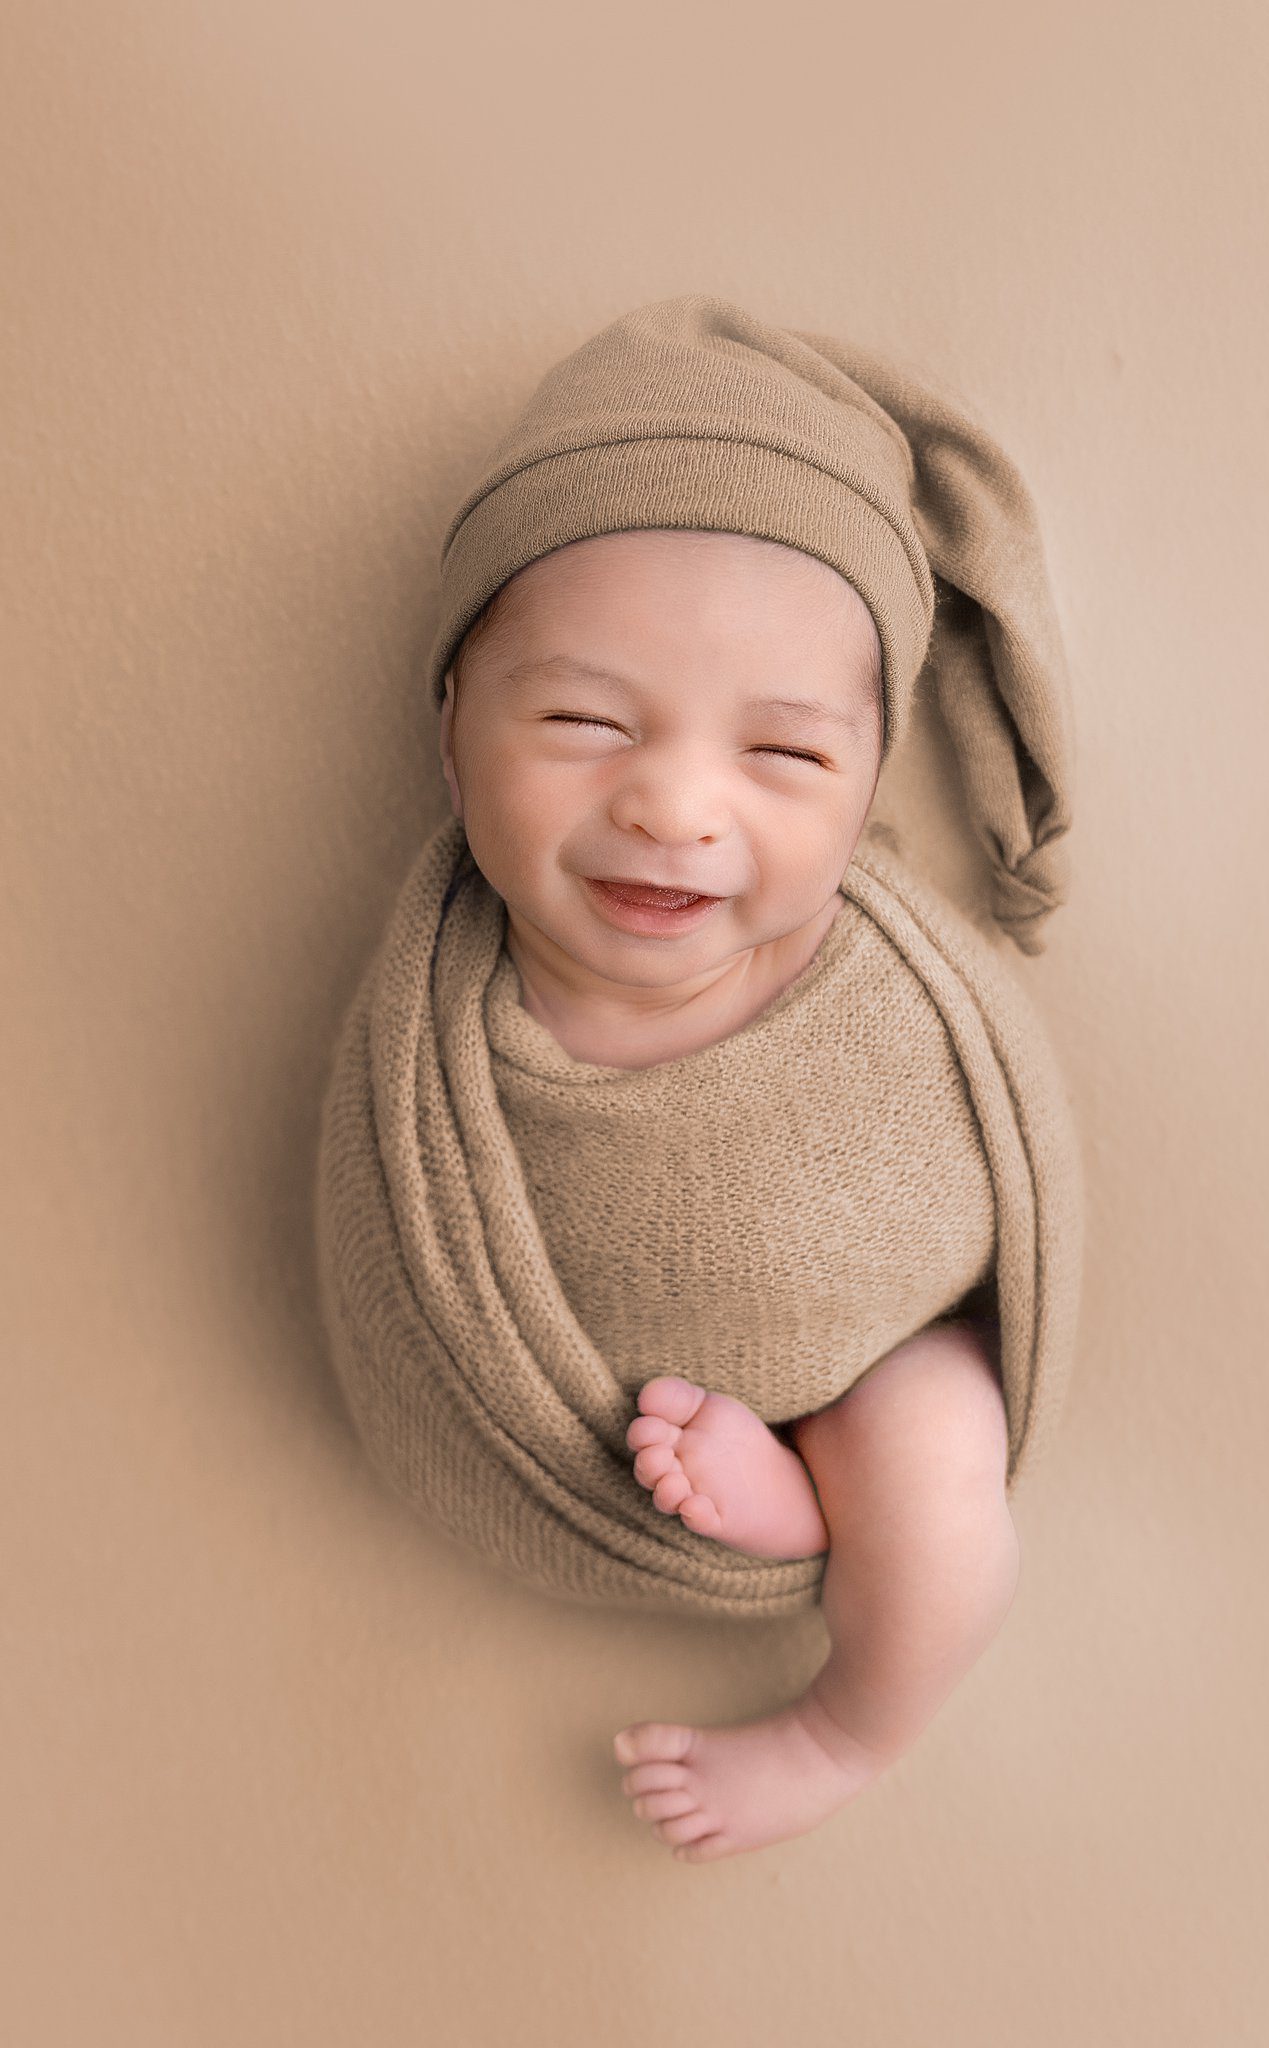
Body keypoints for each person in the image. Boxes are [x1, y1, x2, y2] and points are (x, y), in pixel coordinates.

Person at [438, 523, 1021, 1862]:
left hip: (884, 1353)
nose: (675, 808)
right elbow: (401, 1226)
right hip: (589, 1397)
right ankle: (791, 1498)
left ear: (866, 782)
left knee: (936, 1457)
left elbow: (984, 1166)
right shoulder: (439, 1009)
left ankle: (843, 1728)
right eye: (585, 721)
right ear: (452, 729)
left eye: (783, 755)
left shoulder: (878, 973)